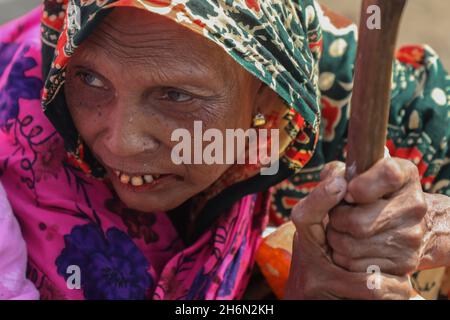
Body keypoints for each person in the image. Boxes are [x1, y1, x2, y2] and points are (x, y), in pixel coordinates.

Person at [0, 0, 449, 300]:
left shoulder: (362, 99)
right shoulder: (22, 108)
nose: (121, 142)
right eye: (90, 79)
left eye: (176, 96)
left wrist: (428, 228)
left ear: (268, 96)